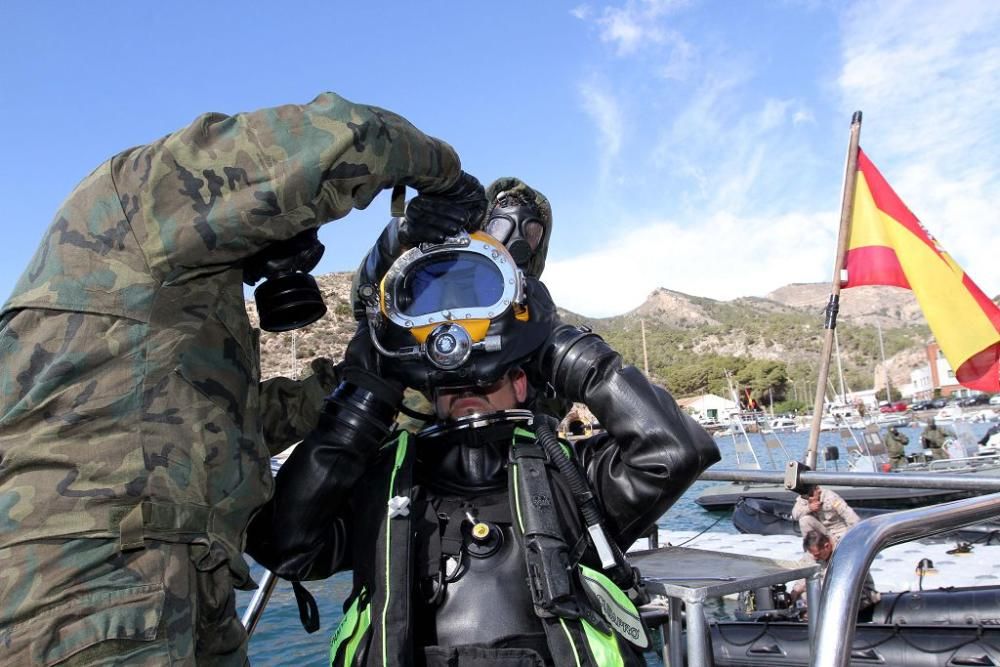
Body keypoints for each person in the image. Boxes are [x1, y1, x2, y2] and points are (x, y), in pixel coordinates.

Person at [0, 92, 487, 665]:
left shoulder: (177, 309)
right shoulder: (135, 197)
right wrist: (448, 184)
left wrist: (371, 380)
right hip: (84, 584)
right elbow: (348, 133)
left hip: (187, 582)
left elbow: (229, 428)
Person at [247, 238, 721, 665]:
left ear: (522, 382)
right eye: (451, 380)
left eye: (490, 372)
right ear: (430, 393)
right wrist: (362, 397)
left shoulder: (574, 481)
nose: (469, 384)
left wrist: (557, 346)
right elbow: (286, 545)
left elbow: (677, 452)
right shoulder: (384, 490)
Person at [790, 530, 879, 621]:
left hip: (858, 593)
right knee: (802, 598)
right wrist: (796, 590)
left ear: (827, 546)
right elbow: (806, 570)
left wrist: (811, 592)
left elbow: (840, 585)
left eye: (817, 555)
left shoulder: (846, 552)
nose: (815, 558)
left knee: (817, 598)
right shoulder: (814, 553)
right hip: (827, 591)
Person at [791, 484, 860, 544]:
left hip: (838, 533)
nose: (810, 498)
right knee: (804, 520)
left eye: (812, 495)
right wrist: (808, 508)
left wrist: (854, 537)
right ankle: (811, 549)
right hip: (822, 533)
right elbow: (795, 515)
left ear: (818, 490)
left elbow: (850, 515)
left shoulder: (831, 497)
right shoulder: (804, 498)